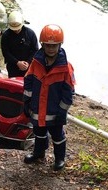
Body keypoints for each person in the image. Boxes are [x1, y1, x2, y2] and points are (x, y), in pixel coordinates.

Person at [23, 24, 76, 171]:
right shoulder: (36, 62)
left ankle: (59, 158)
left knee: (57, 136)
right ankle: (38, 153)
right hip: (37, 108)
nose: (51, 49)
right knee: (39, 132)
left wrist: (62, 111)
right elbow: (28, 81)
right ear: (43, 45)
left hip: (55, 110)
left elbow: (69, 91)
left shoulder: (66, 67)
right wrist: (26, 101)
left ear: (60, 45)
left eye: (54, 46)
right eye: (47, 45)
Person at [1, 10, 38, 78]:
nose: (16, 30)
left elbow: (35, 50)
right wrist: (17, 62)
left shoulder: (30, 34)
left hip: (29, 67)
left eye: (18, 28)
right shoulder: (6, 36)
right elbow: (5, 52)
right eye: (14, 29)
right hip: (13, 67)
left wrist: (28, 62)